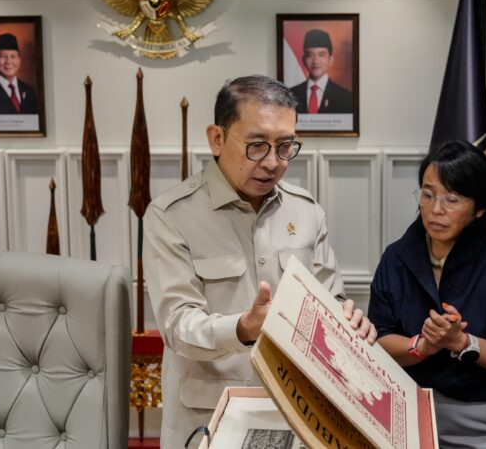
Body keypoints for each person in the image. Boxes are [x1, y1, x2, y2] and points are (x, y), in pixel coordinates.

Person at [143, 75, 376, 448]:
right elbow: (177, 325)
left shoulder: (306, 211)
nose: (272, 163)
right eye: (256, 146)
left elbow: (329, 300)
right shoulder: (171, 216)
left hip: (295, 412)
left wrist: (346, 320)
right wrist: (243, 328)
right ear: (217, 139)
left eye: (285, 147)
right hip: (209, 419)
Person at [368, 141, 486, 448]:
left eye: (452, 199)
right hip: (410, 408)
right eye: (428, 194)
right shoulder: (397, 257)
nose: (436, 209)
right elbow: (379, 338)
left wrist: (463, 343)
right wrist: (422, 346)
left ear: (480, 208)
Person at [291, 29, 353, 114]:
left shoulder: (346, 97)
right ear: (303, 60)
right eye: (310, 55)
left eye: (321, 55)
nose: (315, 61)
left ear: (330, 60)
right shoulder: (290, 95)